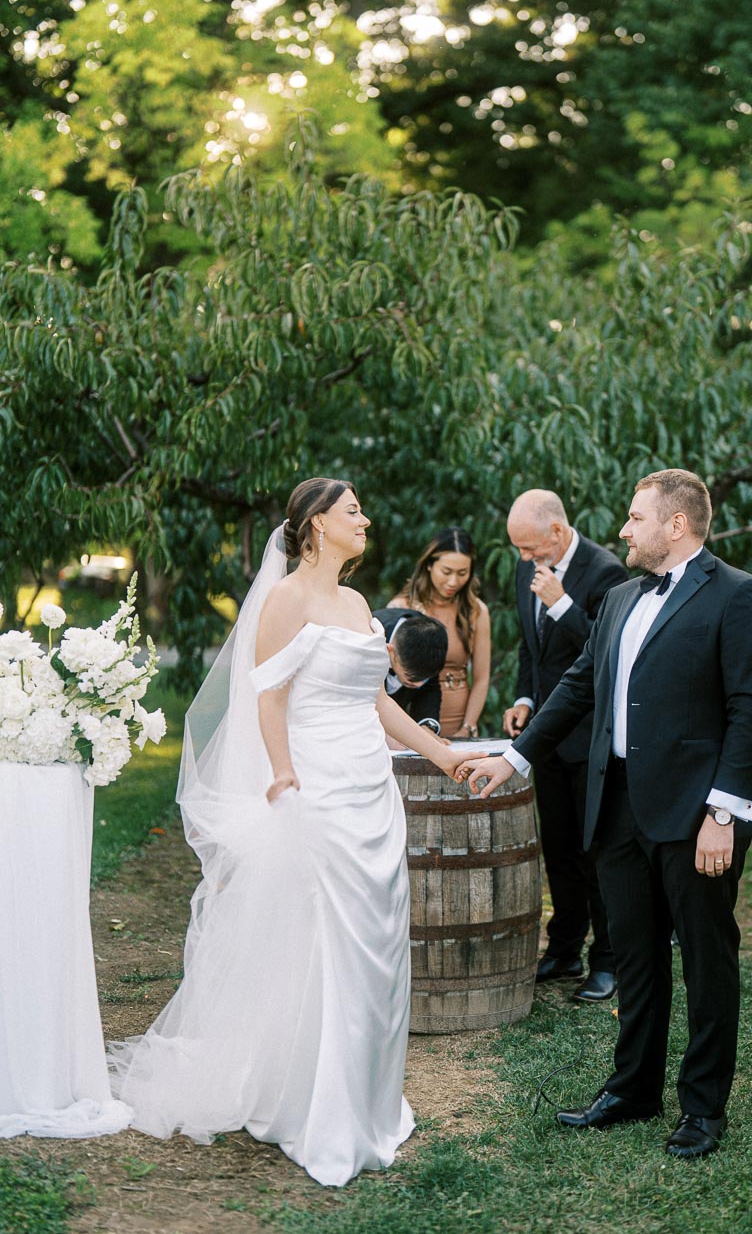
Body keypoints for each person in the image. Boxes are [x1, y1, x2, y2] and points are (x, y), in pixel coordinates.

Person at [108, 479, 477, 1187]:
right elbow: (266, 697)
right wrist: (281, 775)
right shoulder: (287, 600)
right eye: (352, 511)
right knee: (326, 944)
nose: (365, 519)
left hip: (371, 791)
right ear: (315, 526)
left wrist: (441, 754)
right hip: (316, 789)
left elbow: (375, 701)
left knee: (375, 942)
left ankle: (365, 1098)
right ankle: (316, 1108)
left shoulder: (358, 603)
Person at [460, 469, 752, 1160]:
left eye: (636, 519)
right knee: (635, 955)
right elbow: (577, 689)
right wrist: (515, 758)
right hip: (618, 806)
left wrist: (724, 813)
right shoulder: (622, 598)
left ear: (677, 525)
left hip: (698, 813)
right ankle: (634, 1088)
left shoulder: (738, 595)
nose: (623, 530)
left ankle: (702, 1107)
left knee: (705, 959)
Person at [504, 490, 627, 1004]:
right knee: (557, 847)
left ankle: (608, 960)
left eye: (531, 548)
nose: (526, 559)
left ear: (557, 532)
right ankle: (565, 948)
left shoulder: (608, 573)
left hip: (591, 737)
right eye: (520, 551)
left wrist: (563, 606)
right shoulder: (527, 565)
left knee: (595, 852)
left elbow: (613, 651)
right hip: (544, 738)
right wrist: (525, 696)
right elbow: (529, 645)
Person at [388, 528, 490, 738]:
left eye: (462, 573)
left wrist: (468, 726)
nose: (453, 582)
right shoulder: (401, 610)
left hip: (459, 719)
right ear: (429, 565)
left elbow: (481, 677)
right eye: (446, 572)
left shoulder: (476, 611)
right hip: (409, 719)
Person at [375, 606, 448, 736]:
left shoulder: (430, 641)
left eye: (424, 679)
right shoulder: (368, 634)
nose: (418, 685)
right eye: (409, 677)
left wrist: (426, 727)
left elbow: (429, 689)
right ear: (390, 651)